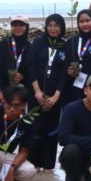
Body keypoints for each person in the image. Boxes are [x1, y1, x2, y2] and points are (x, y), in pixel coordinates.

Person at [26, 14, 70, 171]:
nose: (53, 28)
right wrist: (37, 91)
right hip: (36, 93)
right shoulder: (38, 43)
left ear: (61, 27)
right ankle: (34, 163)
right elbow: (30, 66)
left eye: (56, 25)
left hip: (55, 95)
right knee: (35, 128)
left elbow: (65, 73)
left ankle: (49, 165)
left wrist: (57, 95)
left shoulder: (65, 46)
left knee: (52, 130)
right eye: (50, 25)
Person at [64, 9, 91, 104]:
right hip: (75, 85)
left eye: (88, 20)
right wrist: (68, 69)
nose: (85, 24)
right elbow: (66, 61)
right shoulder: (72, 41)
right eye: (81, 21)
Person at [0, 15, 30, 94]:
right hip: (5, 88)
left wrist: (23, 76)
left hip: (23, 89)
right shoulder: (3, 44)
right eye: (14, 25)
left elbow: (32, 70)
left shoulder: (30, 46)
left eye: (21, 25)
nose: (17, 28)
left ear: (27, 27)